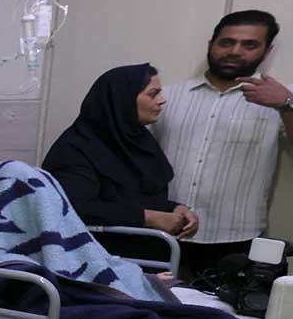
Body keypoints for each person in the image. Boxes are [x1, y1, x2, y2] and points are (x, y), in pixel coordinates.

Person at [150, 10, 293, 276]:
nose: (235, 51)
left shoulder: (286, 98)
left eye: (249, 45)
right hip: (162, 232)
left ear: (266, 51)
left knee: (225, 316)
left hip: (235, 238)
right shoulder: (168, 96)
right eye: (227, 42)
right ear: (211, 45)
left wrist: (288, 105)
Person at [42, 63, 198, 245]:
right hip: (98, 256)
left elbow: (135, 196)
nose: (162, 100)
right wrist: (148, 217)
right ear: (122, 99)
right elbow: (75, 206)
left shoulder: (136, 140)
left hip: (148, 255)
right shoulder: (76, 147)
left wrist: (175, 209)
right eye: (152, 94)